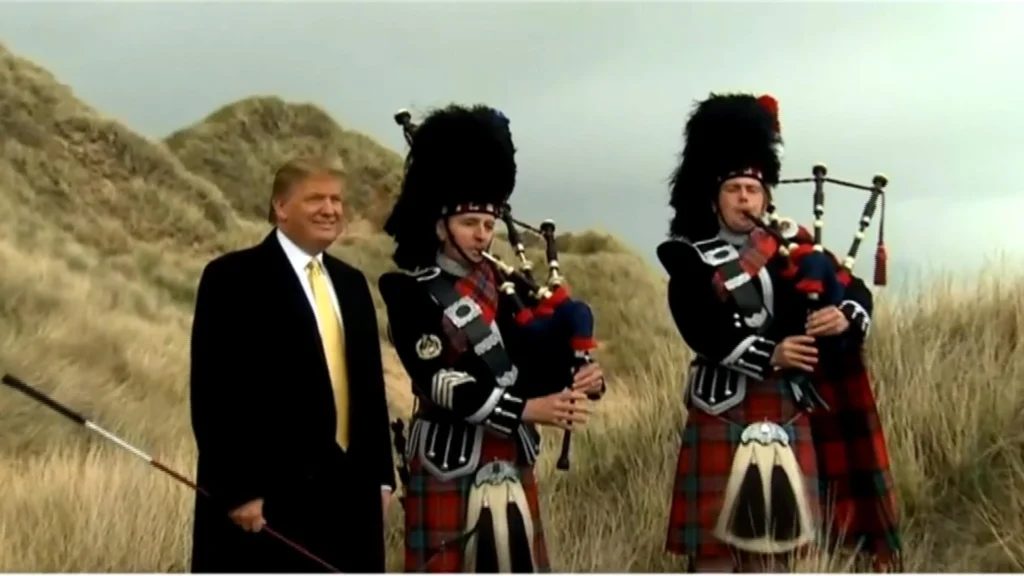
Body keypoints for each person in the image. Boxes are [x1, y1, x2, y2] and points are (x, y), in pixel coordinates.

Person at [656, 92, 901, 572]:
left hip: (789, 408)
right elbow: (698, 324)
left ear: (767, 195)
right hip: (722, 409)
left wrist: (845, 315)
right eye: (733, 189)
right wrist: (772, 353)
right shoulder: (691, 255)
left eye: (753, 188)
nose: (744, 198)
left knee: (784, 553)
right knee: (714, 557)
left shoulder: (795, 248)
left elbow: (854, 290)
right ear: (714, 197)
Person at [377, 103, 606, 573]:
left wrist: (580, 373)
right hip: (447, 458)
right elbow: (440, 381)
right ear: (440, 226)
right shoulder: (410, 293)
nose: (482, 235)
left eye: (487, 224)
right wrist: (526, 410)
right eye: (469, 224)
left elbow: (532, 362)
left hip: (511, 454)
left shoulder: (507, 290)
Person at [188, 155, 396, 573]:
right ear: (280, 207)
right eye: (316, 198)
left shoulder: (353, 284)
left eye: (337, 200)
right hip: (267, 501)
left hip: (350, 497)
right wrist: (238, 489)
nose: (330, 209)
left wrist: (382, 477)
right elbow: (214, 391)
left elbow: (370, 390)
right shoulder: (232, 277)